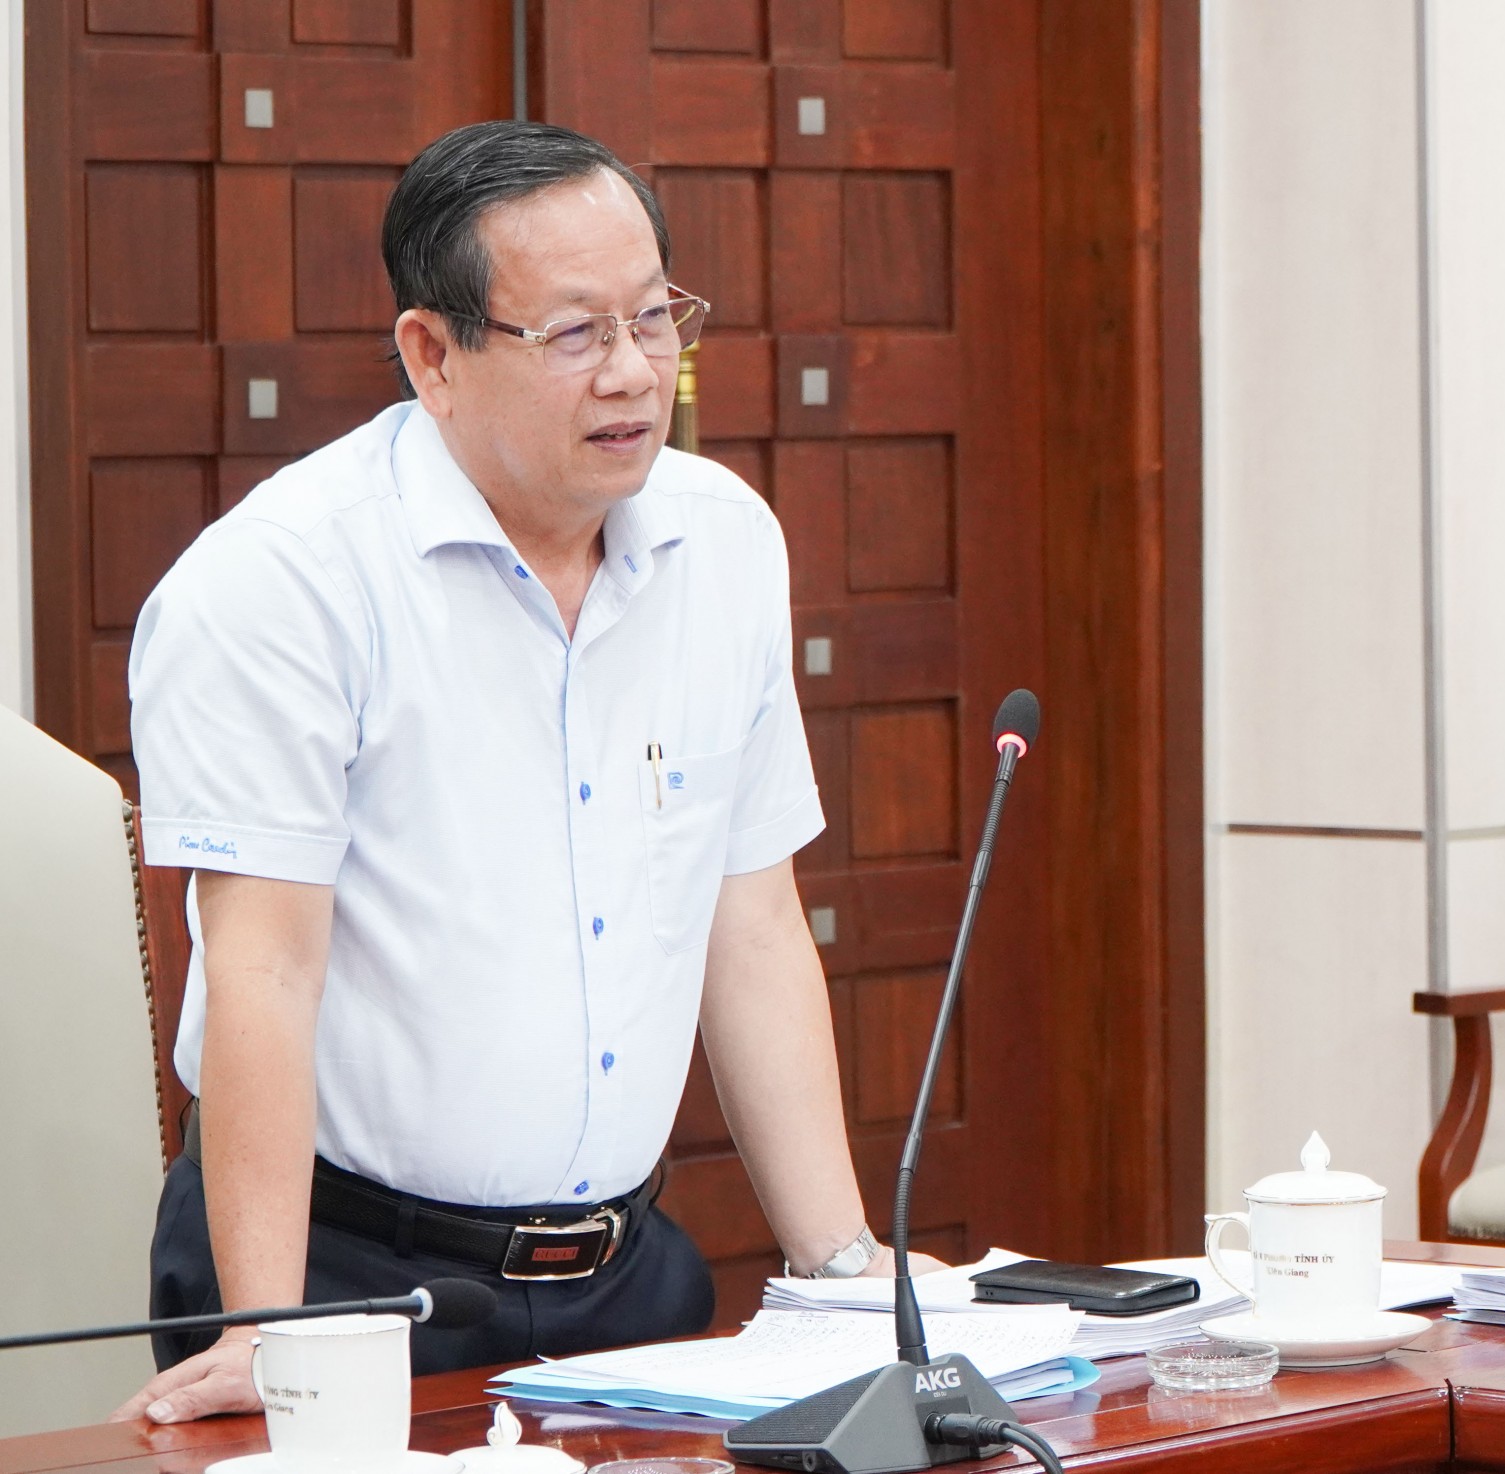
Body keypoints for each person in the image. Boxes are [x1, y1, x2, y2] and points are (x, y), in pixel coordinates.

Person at [112, 121, 932, 1427]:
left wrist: (840, 1265)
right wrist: (272, 1328)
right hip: (349, 1275)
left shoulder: (726, 544)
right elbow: (265, 969)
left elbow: (753, 921)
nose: (633, 372)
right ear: (433, 356)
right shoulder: (281, 582)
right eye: (574, 334)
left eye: (654, 319)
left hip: (629, 1273)